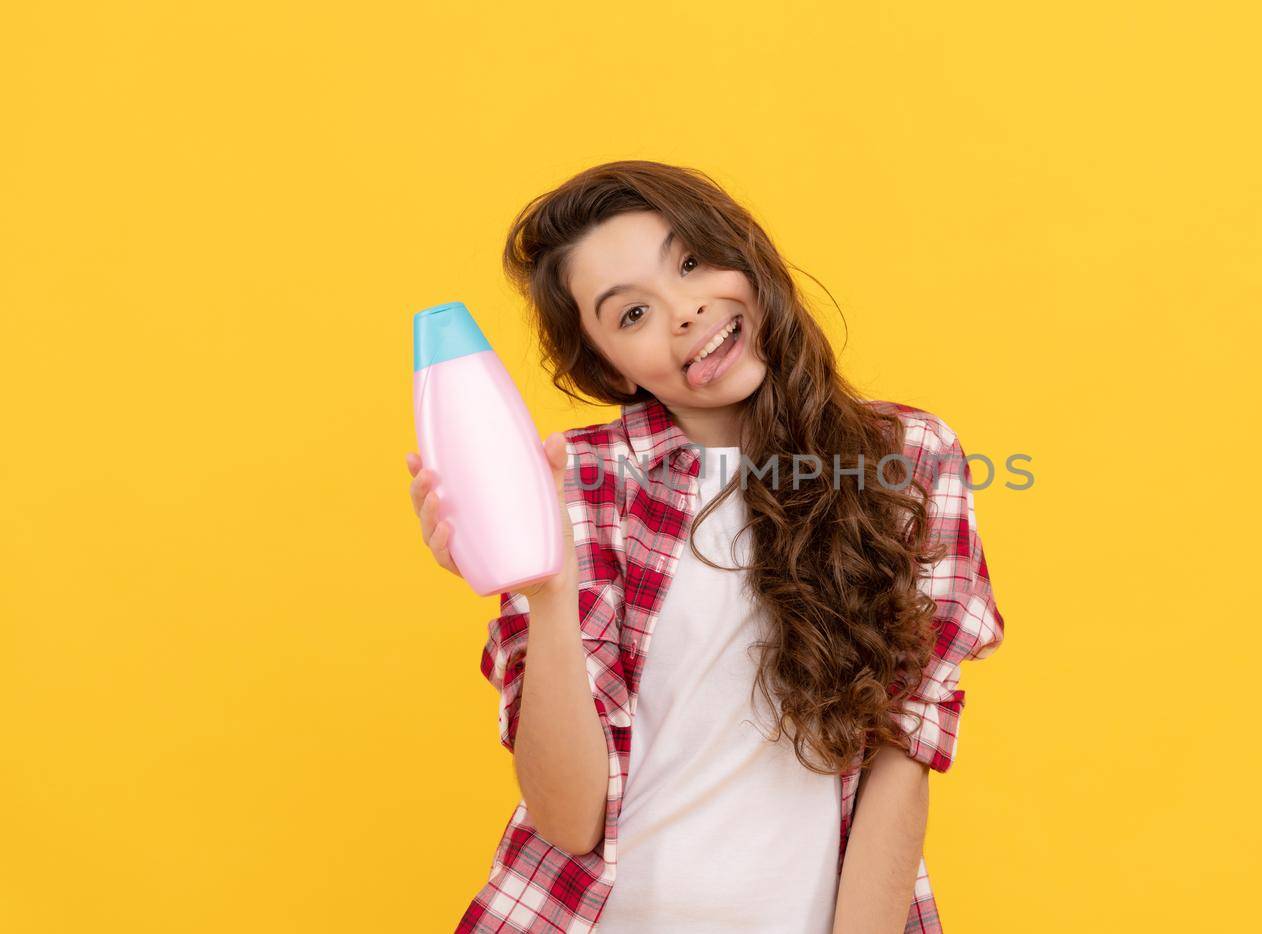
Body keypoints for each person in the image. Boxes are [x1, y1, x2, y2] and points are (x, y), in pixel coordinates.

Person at [404, 161, 1005, 933]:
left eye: (691, 262)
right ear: (605, 368)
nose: (685, 311)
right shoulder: (577, 482)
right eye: (631, 315)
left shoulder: (905, 461)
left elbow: (903, 752)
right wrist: (546, 591)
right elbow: (569, 821)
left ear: (744, 254)